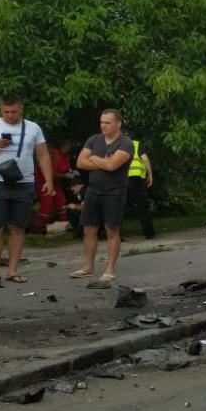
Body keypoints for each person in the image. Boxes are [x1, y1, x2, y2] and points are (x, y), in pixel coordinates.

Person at [0, 95, 53, 285]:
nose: (10, 116)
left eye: (14, 112)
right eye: (6, 112)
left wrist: (48, 180)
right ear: (1, 110)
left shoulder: (33, 128)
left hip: (23, 182)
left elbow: (43, 155)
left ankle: (13, 270)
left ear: (21, 109)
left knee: (17, 227)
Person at [71, 109, 133, 282]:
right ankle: (88, 267)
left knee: (111, 229)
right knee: (89, 228)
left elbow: (113, 166)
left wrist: (95, 160)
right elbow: (80, 162)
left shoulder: (125, 143)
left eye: (107, 123)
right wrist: (103, 162)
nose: (103, 126)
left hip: (114, 191)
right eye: (101, 122)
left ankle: (109, 269)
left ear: (118, 124)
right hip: (93, 190)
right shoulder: (94, 139)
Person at [124, 134, 155, 239]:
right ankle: (149, 233)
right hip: (137, 180)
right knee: (143, 208)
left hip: (121, 181)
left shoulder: (117, 146)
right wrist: (150, 175)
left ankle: (115, 235)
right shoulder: (136, 144)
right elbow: (145, 159)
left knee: (119, 207)